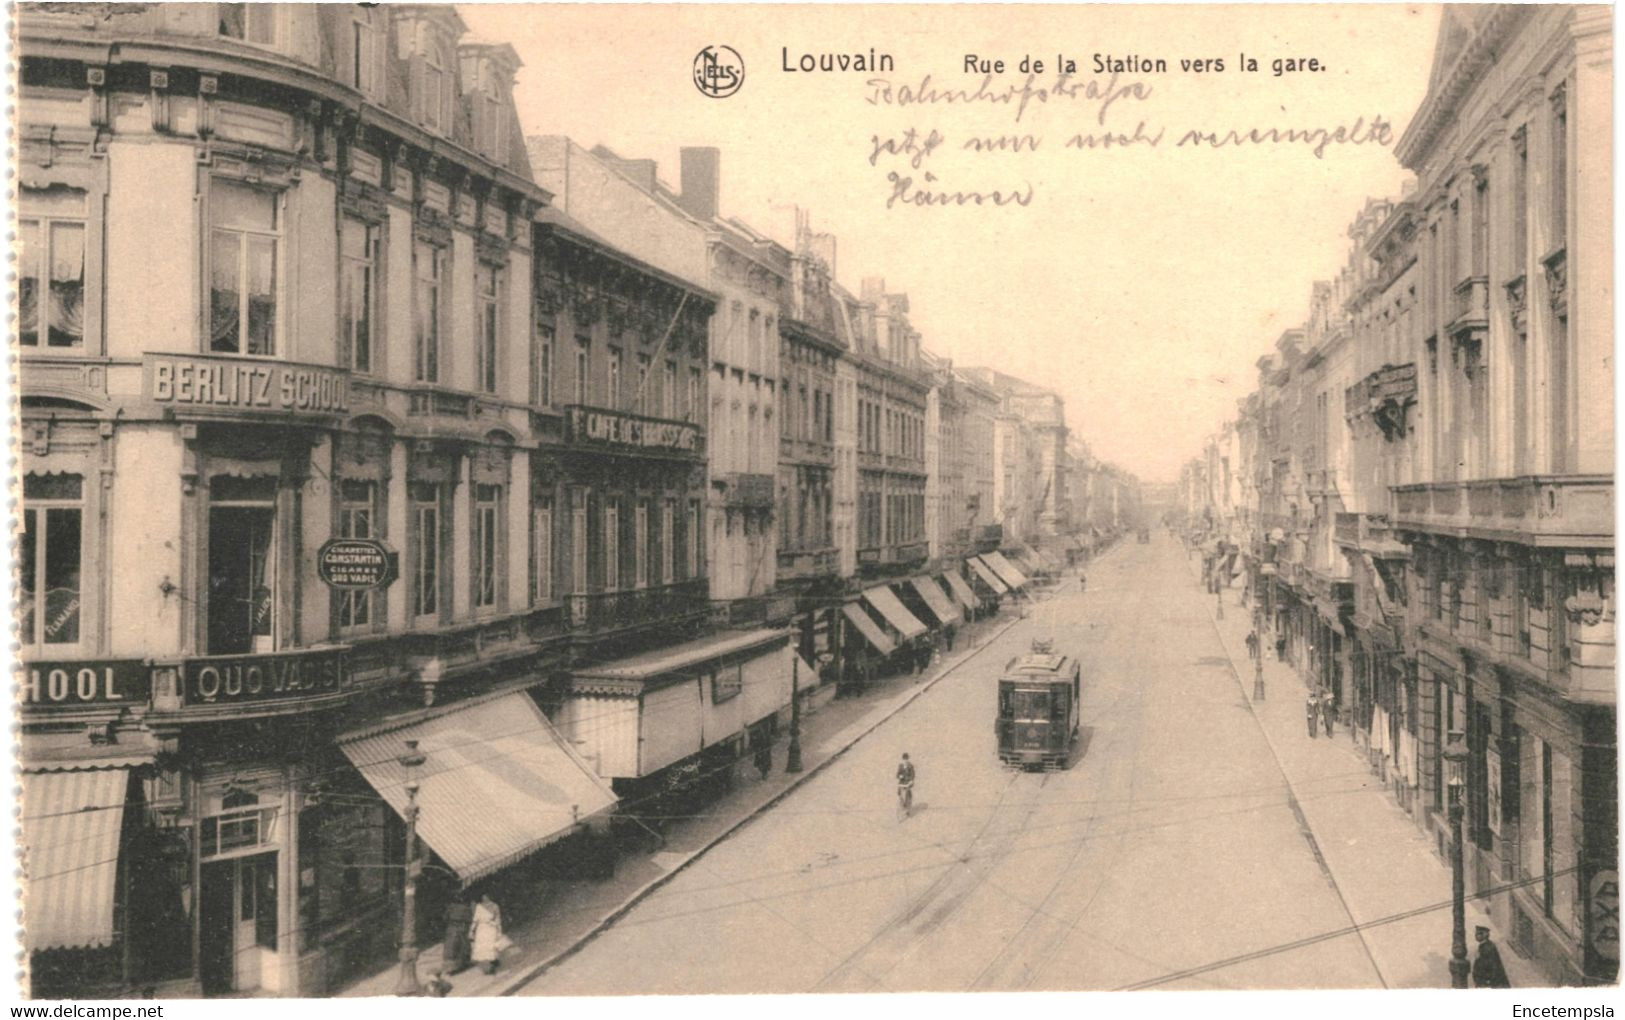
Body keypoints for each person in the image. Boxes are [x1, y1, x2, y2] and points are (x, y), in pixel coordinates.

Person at [468, 892, 505, 975]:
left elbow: (498, 918)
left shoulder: (495, 906)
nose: (485, 898)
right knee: (483, 948)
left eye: (486, 896)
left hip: (491, 928)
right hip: (481, 929)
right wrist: (471, 930)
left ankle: (493, 963)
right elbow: (475, 919)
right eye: (483, 896)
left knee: (491, 946)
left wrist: (498, 929)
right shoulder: (479, 907)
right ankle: (487, 967)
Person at [442, 896, 472, 974]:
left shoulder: (450, 907)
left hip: (451, 928)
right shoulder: (466, 908)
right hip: (462, 929)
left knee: (450, 947)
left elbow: (445, 918)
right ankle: (462, 964)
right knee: (463, 946)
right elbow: (469, 920)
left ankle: (449, 967)